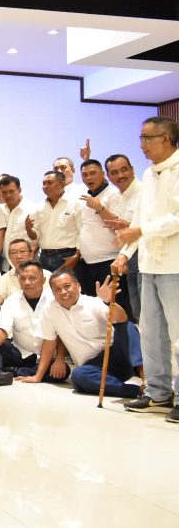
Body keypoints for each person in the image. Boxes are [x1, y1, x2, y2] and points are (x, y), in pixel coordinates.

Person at [116, 117, 179, 421]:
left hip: (175, 264)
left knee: (178, 335)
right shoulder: (148, 174)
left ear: (165, 138)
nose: (141, 145)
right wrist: (123, 254)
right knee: (150, 333)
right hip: (149, 263)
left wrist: (141, 231)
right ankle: (158, 392)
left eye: (146, 138)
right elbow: (138, 221)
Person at [26, 269, 141, 399]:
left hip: (116, 355)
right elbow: (49, 341)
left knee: (128, 327)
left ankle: (147, 381)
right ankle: (136, 391)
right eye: (57, 289)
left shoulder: (93, 303)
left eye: (67, 286)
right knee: (78, 376)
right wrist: (38, 376)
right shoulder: (49, 309)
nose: (63, 292)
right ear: (53, 293)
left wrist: (109, 302)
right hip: (93, 367)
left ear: (78, 286)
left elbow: (122, 318)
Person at [0, 261, 66, 387]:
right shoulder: (11, 301)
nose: (27, 282)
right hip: (19, 353)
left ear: (43, 280)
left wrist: (60, 359)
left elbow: (62, 335)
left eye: (32, 278)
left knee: (63, 372)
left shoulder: (55, 301)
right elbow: (2, 328)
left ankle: (13, 372)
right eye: (23, 278)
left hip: (46, 357)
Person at [75, 159, 126, 311]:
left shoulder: (114, 194)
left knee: (117, 311)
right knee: (94, 312)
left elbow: (119, 227)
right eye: (85, 175)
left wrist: (99, 208)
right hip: (87, 265)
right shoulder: (85, 197)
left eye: (93, 173)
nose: (89, 178)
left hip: (109, 263)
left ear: (103, 174)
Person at [105, 153, 142, 321]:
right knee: (138, 312)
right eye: (114, 172)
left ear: (133, 170)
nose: (120, 175)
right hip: (130, 258)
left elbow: (146, 226)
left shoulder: (144, 192)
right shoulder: (120, 197)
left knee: (151, 314)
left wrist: (127, 225)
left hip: (148, 257)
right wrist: (124, 256)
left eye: (124, 169)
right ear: (108, 176)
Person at [25, 170, 82, 271]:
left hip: (67, 255)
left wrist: (76, 256)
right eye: (44, 183)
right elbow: (35, 236)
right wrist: (28, 229)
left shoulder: (75, 204)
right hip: (44, 256)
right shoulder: (39, 206)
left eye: (49, 183)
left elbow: (81, 232)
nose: (46, 186)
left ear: (62, 184)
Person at [0, 175, 37, 271]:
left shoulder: (32, 209)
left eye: (11, 191)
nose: (8, 195)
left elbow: (38, 238)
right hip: (4, 264)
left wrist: (30, 256)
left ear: (19, 190)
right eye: (4, 192)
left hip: (26, 265)